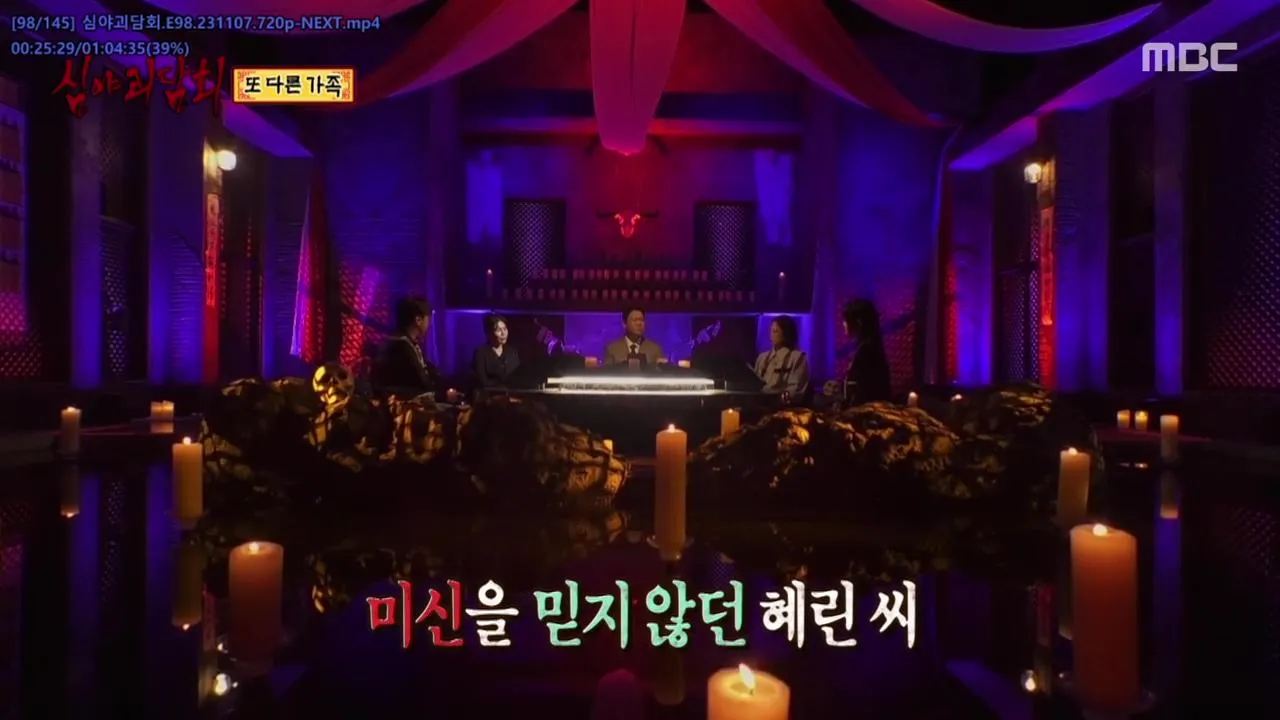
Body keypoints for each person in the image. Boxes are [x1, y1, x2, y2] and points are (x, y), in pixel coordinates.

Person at [824, 299, 892, 405]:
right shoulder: (866, 348)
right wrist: (839, 387)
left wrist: (838, 394)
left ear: (858, 323)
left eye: (846, 321)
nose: (843, 324)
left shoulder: (867, 351)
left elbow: (862, 391)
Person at [374, 296, 439, 397]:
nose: (429, 324)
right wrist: (442, 394)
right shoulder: (401, 346)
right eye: (428, 319)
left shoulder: (405, 343)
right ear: (418, 320)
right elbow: (423, 383)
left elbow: (430, 372)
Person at [754, 315, 810, 396]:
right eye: (771, 330)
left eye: (775, 331)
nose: (771, 334)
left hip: (781, 402)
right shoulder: (762, 358)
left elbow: (795, 388)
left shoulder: (798, 358)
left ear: (786, 333)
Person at [472, 313, 520, 388]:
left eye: (505, 329)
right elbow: (482, 381)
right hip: (490, 393)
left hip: (512, 393)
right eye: (499, 330)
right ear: (489, 333)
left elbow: (518, 377)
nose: (503, 333)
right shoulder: (481, 353)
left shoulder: (513, 352)